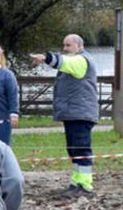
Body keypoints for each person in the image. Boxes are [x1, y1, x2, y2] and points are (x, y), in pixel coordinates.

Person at [30, 34, 99, 197]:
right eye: (64, 45)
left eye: (68, 45)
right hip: (73, 113)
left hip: (81, 114)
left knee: (81, 149)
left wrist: (46, 57)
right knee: (74, 150)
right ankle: (76, 183)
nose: (65, 49)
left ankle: (85, 186)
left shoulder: (81, 60)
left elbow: (64, 62)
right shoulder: (74, 61)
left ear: (79, 45)